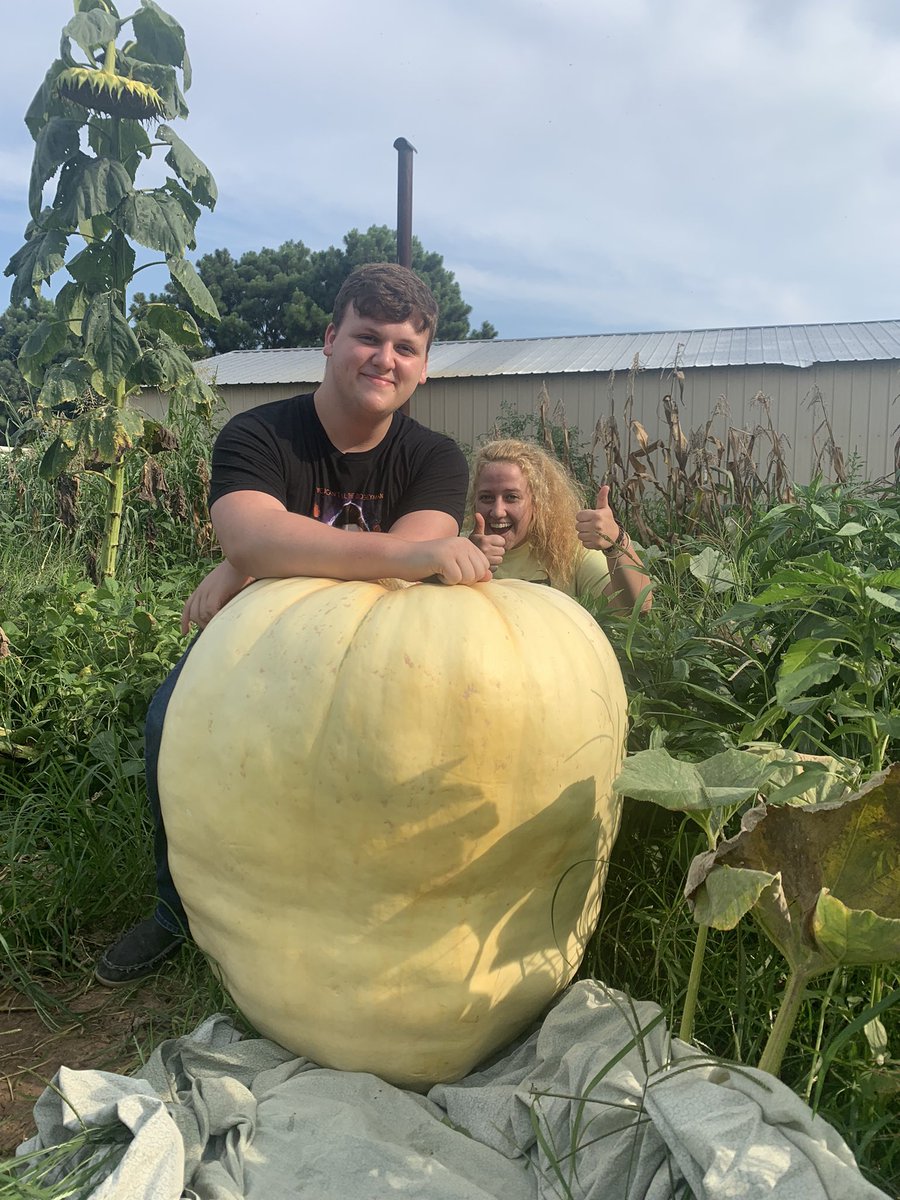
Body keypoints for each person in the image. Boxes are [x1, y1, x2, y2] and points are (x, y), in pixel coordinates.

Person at [96, 263, 493, 986]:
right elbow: (398, 550)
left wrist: (265, 556)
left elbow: (407, 569)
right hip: (256, 644)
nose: (386, 358)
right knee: (167, 724)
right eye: (369, 337)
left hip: (379, 657)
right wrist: (253, 555)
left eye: (406, 348)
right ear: (330, 338)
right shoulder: (257, 433)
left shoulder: (435, 457)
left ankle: (345, 914)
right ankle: (174, 909)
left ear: (425, 368)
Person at [468, 438, 652, 611]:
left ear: (538, 502)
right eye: (486, 498)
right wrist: (467, 565)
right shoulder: (457, 550)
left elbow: (639, 608)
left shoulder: (568, 550)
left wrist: (616, 544)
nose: (498, 511)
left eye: (511, 497)